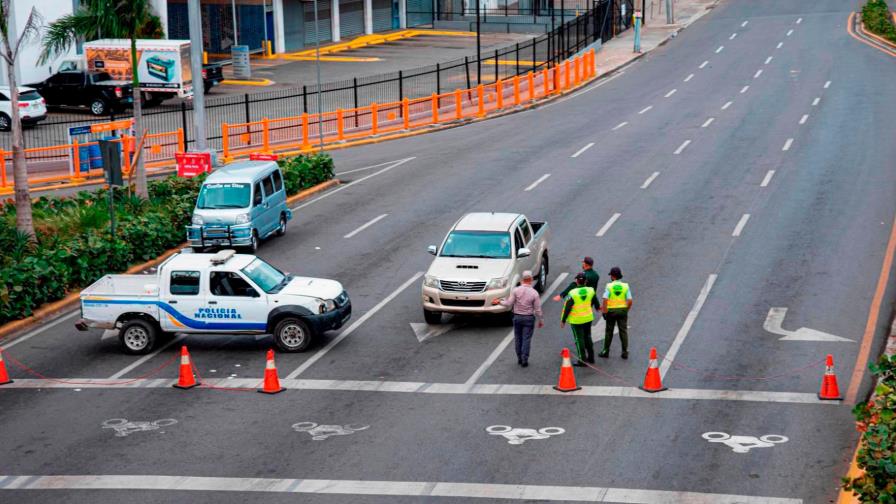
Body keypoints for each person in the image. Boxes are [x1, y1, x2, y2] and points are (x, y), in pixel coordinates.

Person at [492, 271, 544, 367]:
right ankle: (525, 359)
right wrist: (541, 320)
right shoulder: (534, 293)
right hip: (528, 318)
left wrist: (499, 302)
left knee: (518, 338)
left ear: (522, 280)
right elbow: (538, 309)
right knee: (526, 339)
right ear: (531, 280)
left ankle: (519, 358)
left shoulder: (516, 290)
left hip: (517, 317)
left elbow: (508, 303)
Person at [560, 272, 598, 366]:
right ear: (585, 282)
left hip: (576, 320)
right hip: (588, 318)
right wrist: (598, 307)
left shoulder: (572, 293)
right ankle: (591, 357)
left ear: (577, 281)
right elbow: (595, 302)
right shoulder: (591, 290)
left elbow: (567, 307)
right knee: (588, 337)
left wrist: (563, 320)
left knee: (579, 339)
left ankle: (582, 360)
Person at [599, 266, 632, 359]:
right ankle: (625, 352)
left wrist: (604, 311)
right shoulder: (625, 286)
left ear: (613, 276)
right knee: (623, 331)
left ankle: (605, 351)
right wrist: (626, 310)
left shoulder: (609, 286)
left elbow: (605, 299)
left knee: (609, 331)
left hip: (611, 311)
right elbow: (629, 300)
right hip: (622, 311)